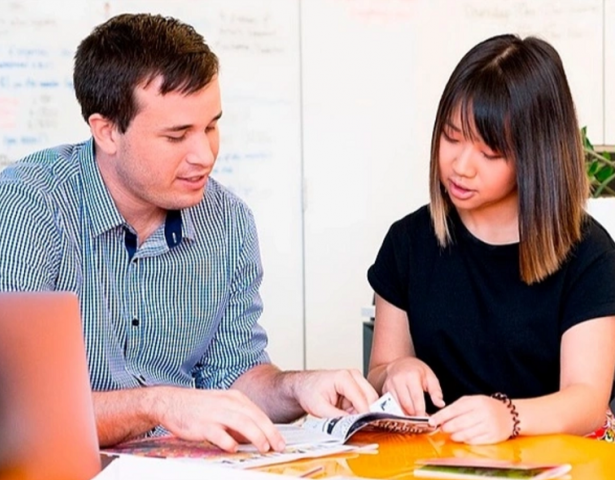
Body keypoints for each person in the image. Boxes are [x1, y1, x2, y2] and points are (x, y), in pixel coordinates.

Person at [0, 13, 377, 453]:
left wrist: (296, 388)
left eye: (211, 126)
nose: (205, 155)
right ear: (106, 132)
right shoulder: (28, 206)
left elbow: (234, 377)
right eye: (177, 135)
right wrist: (158, 405)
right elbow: (17, 412)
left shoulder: (229, 222)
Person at [366, 34, 615, 445]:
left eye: (489, 153)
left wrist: (508, 417)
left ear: (536, 155)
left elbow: (586, 401)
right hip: (451, 458)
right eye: (451, 136)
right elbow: (380, 367)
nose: (460, 165)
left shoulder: (589, 254)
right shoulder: (408, 242)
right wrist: (395, 371)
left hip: (562, 456)